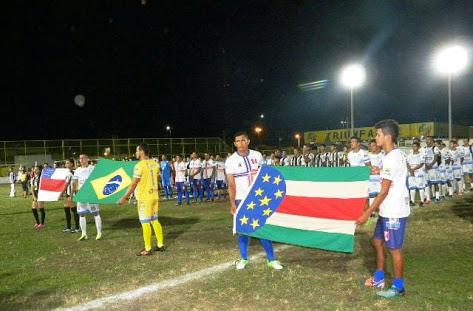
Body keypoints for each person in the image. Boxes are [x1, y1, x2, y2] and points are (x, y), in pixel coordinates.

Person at [356, 119, 410, 298]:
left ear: (387, 136)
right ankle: (379, 277)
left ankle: (398, 286)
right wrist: (378, 172)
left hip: (393, 211)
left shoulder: (392, 158)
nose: (375, 137)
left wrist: (367, 212)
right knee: (377, 241)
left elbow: (384, 191)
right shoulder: (393, 155)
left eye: (378, 134)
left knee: (394, 249)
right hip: (387, 210)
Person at [225, 131, 283, 270]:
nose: (240, 143)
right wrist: (232, 203)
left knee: (263, 228)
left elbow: (265, 176)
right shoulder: (231, 160)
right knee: (243, 230)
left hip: (258, 199)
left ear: (248, 141)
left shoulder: (257, 156)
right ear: (234, 144)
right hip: (241, 199)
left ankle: (271, 259)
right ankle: (244, 258)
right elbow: (231, 185)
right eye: (237, 141)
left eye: (243, 140)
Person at [119, 143, 164, 256]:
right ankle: (160, 244)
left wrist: (125, 197)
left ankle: (148, 249)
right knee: (154, 220)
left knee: (145, 223)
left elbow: (133, 184)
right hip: (154, 196)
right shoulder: (155, 163)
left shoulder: (139, 166)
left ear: (142, 151)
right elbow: (158, 177)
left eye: (137, 150)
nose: (136, 153)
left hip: (144, 198)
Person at [73, 154, 102, 241]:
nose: (81, 160)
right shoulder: (77, 170)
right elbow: (75, 182)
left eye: (83, 158)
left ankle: (99, 233)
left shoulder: (92, 168)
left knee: (95, 213)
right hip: (81, 194)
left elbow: (98, 179)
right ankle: (84, 234)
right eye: (80, 158)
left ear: (87, 159)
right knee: (81, 214)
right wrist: (75, 192)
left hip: (91, 194)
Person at [63, 158, 80, 233]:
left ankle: (77, 227)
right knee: (66, 208)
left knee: (74, 209)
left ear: (72, 164)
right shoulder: (71, 172)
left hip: (71, 193)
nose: (66, 164)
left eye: (68, 163)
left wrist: (71, 194)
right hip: (69, 193)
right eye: (66, 163)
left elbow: (73, 185)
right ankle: (69, 227)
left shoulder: (71, 173)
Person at [406, 142, 425, 206]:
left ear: (418, 147)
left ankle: (422, 201)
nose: (414, 148)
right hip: (411, 172)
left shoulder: (421, 154)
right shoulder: (409, 155)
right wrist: (410, 170)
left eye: (415, 146)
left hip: (418, 172)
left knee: (420, 187)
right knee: (412, 187)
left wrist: (414, 169)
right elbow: (407, 163)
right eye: (413, 146)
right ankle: (412, 201)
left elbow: (422, 164)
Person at [423, 136, 441, 203]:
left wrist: (431, 165)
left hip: (433, 168)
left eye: (428, 140)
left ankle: (437, 197)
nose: (427, 141)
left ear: (432, 140)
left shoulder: (435, 148)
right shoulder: (424, 149)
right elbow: (423, 158)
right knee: (427, 183)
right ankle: (427, 198)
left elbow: (436, 158)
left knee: (435, 183)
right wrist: (425, 165)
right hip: (426, 168)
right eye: (426, 140)